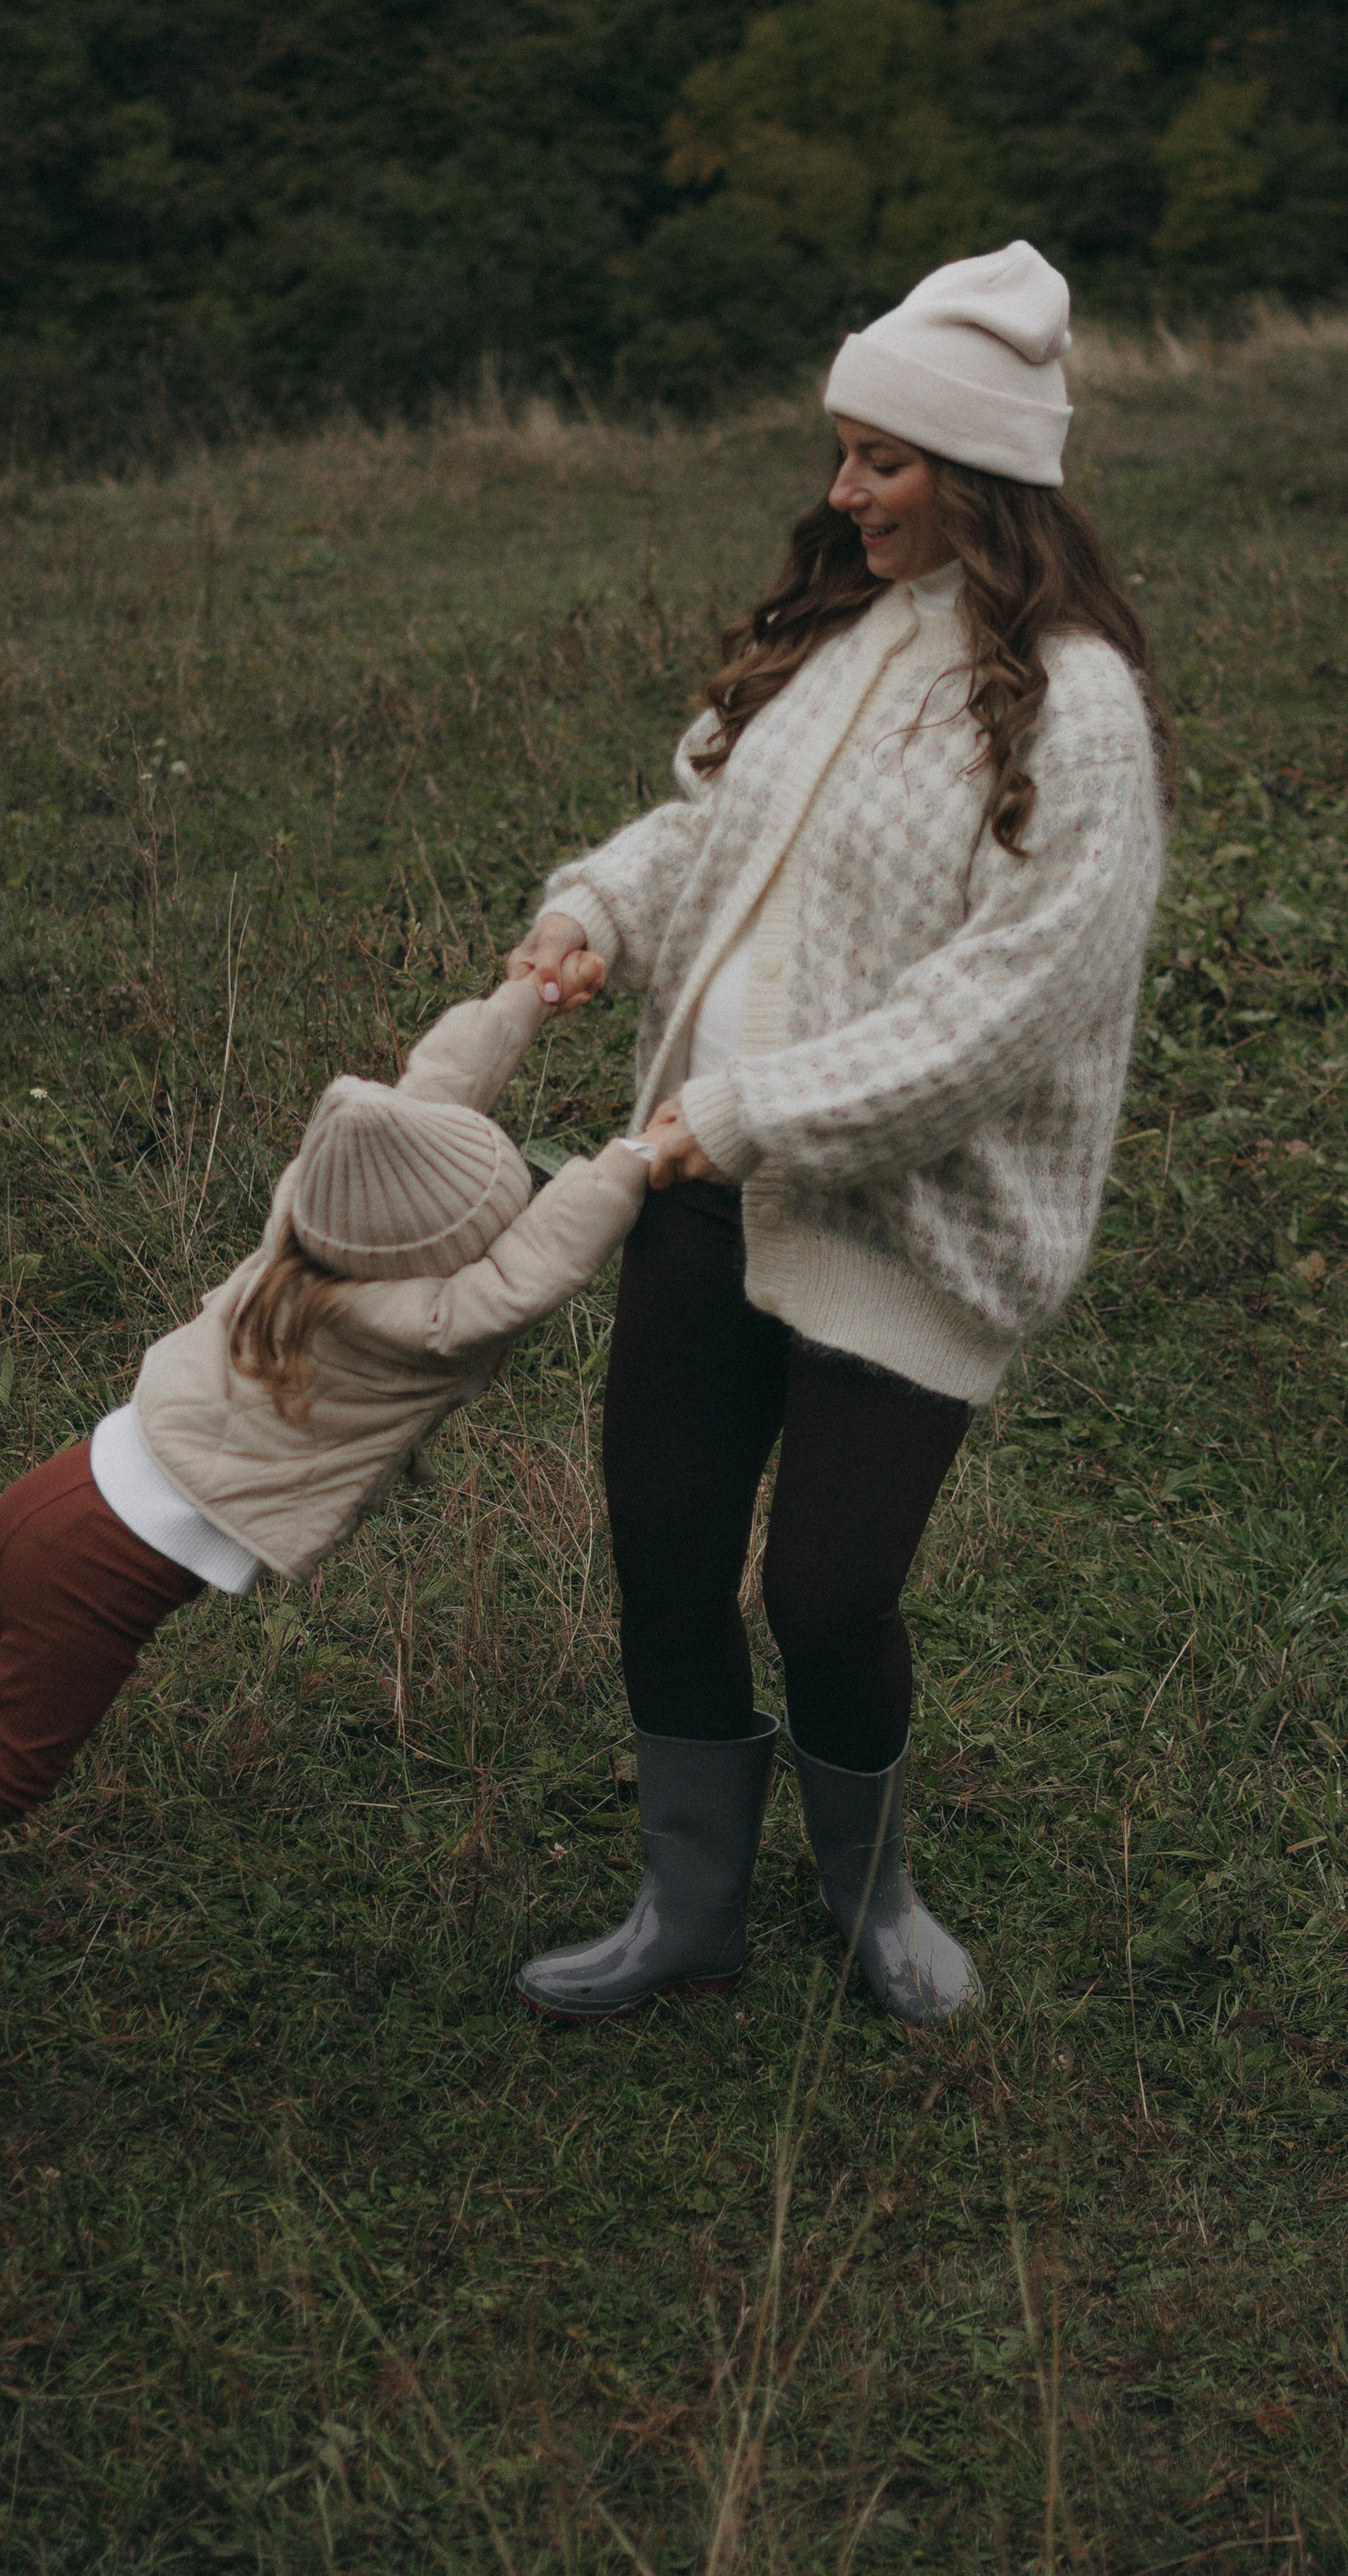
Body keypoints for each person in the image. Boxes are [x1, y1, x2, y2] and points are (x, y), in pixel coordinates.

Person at [506, 239, 1173, 2030]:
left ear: (980, 474)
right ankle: (686, 1909)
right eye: (841, 452)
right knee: (662, 1550)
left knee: (823, 1594)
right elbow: (706, 831)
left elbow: (991, 1020)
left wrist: (742, 1113)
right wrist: (596, 907)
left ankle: (873, 1894)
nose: (842, 490)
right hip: (700, 1184)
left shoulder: (1077, 712)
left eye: (881, 459)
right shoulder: (832, 642)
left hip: (904, 1220)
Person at [0, 972, 655, 2055]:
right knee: (12, 1760)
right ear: (438, 1256)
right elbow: (525, 1276)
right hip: (104, 1569)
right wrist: (635, 1157)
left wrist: (521, 1000)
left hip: (57, 1492)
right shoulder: (424, 1320)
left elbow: (414, 1103)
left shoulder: (304, 1218)